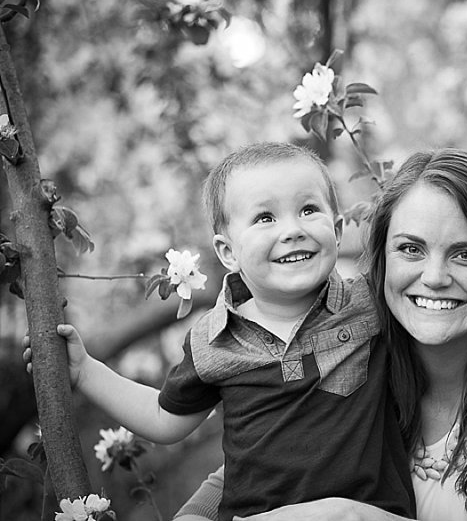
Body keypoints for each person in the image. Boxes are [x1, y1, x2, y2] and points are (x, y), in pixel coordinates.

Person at [173, 148, 467, 521]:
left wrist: (352, 516)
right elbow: (263, 462)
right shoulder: (357, 345)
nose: (434, 277)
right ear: (382, 258)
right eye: (411, 249)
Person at [23, 142, 415, 521]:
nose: (292, 230)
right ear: (228, 252)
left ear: (338, 227)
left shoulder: (369, 303)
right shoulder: (214, 341)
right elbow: (165, 418)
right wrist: (86, 372)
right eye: (265, 218)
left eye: (309, 209)